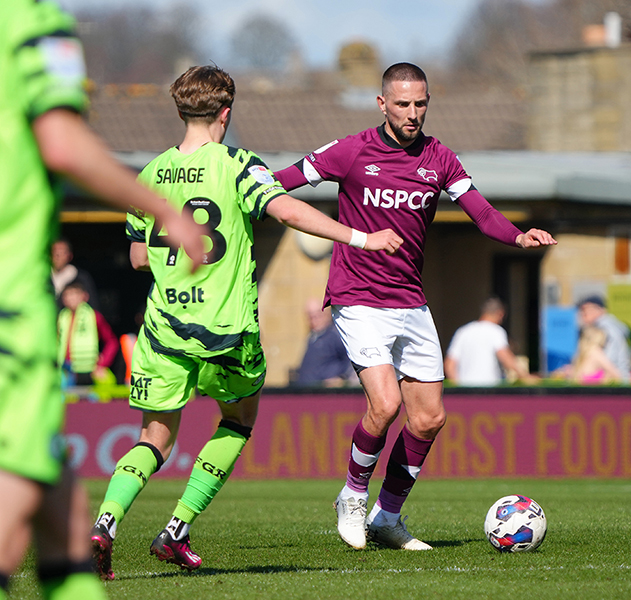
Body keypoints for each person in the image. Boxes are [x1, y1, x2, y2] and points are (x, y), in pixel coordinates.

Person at [89, 65, 402, 580]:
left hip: (164, 330)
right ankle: (176, 530)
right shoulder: (238, 165)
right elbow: (288, 212)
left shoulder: (149, 174)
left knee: (153, 438)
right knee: (237, 420)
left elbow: (139, 259)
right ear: (226, 113)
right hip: (224, 331)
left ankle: (105, 525)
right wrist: (362, 238)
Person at [273, 62, 557, 551]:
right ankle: (352, 497)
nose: (412, 113)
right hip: (357, 297)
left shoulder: (438, 157)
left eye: (420, 103)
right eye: (402, 104)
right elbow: (282, 180)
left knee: (428, 418)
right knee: (384, 405)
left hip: (409, 300)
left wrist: (518, 234)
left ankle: (388, 517)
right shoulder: (351, 151)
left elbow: (481, 213)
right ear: (382, 103)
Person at [0, 2, 207, 599]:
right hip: (11, 309)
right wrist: (163, 209)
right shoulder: (31, 21)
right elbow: (62, 144)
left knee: (64, 511)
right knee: (16, 512)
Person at [444, 297, 539, 386]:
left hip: (466, 391)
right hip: (489, 390)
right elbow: (505, 357)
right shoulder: (496, 331)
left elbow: (449, 364)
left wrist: (458, 387)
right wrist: (525, 376)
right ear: (500, 314)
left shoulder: (463, 331)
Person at [57, 281, 119, 387]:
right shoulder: (61, 318)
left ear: (84, 296)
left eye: (75, 294)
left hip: (89, 370)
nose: (71, 298)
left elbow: (112, 341)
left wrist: (102, 363)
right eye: (67, 295)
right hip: (65, 370)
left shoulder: (94, 316)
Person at [293, 298, 356, 386]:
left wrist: (341, 377)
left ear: (326, 314)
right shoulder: (313, 336)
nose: (314, 320)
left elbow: (350, 358)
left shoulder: (335, 334)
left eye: (317, 315)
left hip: (325, 393)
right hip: (308, 390)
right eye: (310, 317)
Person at [575, 295, 631, 382]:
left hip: (617, 384)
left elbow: (610, 361)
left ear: (600, 310)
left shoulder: (607, 329)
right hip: (613, 380)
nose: (582, 314)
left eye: (585, 310)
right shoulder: (598, 327)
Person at [51, 238, 99, 309]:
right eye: (55, 253)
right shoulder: (42, 277)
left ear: (70, 256)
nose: (58, 256)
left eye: (62, 253)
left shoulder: (81, 278)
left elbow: (93, 305)